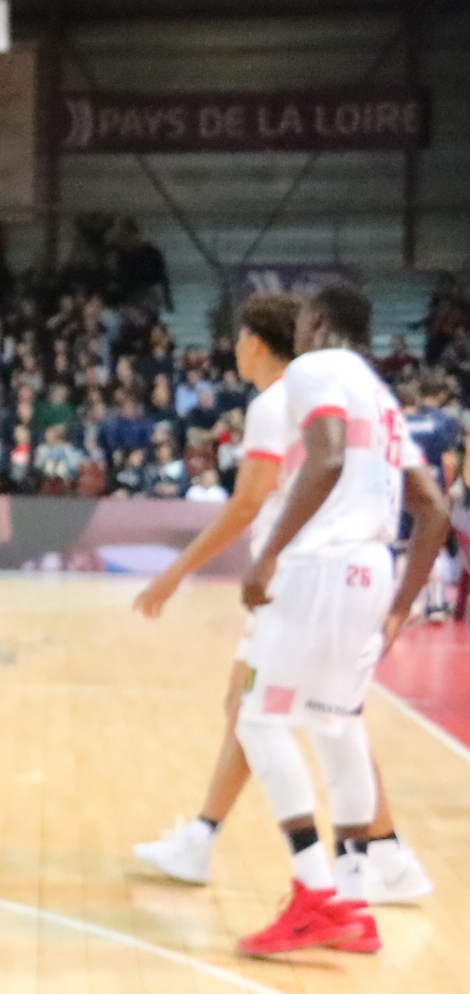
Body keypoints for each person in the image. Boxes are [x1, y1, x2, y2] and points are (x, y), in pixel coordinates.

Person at [129, 296, 429, 902]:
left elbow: (248, 502)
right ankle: (209, 838)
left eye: (239, 337)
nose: (233, 348)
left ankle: (362, 865)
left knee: (288, 716)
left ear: (259, 343)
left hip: (307, 575)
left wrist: (179, 571)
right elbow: (429, 504)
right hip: (346, 571)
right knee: (289, 711)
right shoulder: (353, 390)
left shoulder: (279, 400)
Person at [229, 284, 454, 957]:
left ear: (317, 323)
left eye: (300, 320)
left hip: (320, 568)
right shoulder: (382, 396)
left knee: (256, 717)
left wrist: (268, 555)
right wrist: (401, 605)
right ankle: (353, 902)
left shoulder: (315, 370)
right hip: (371, 569)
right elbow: (433, 510)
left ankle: (313, 894)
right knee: (335, 724)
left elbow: (324, 454)